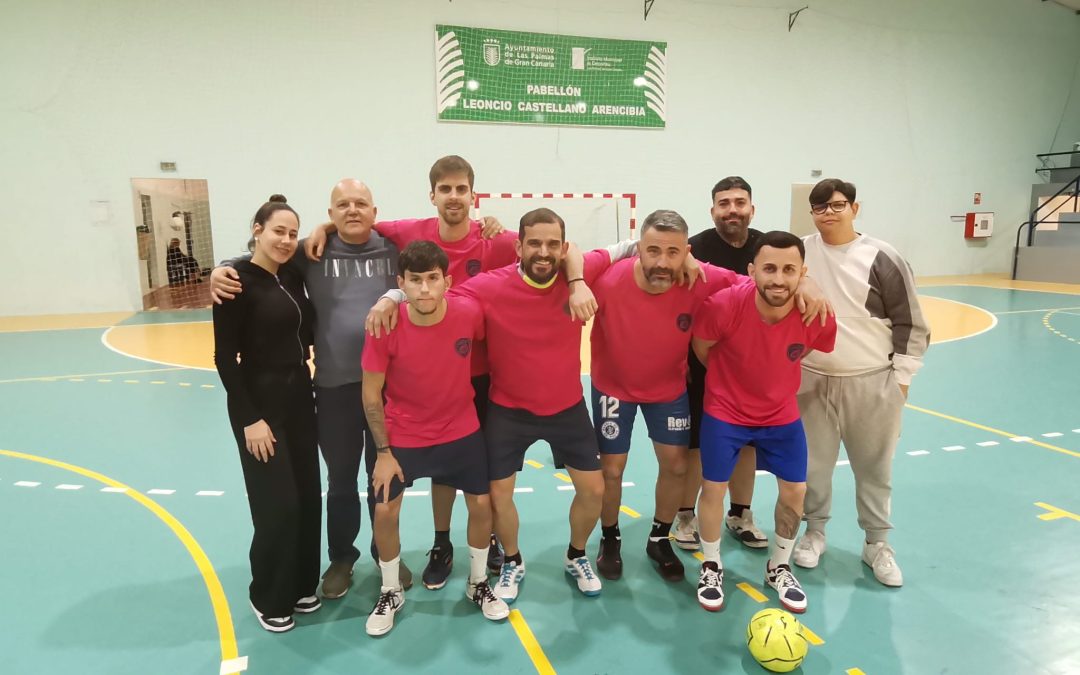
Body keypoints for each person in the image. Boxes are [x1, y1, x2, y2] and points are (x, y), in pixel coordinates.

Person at [367, 208, 634, 603]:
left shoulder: (574, 274)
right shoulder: (488, 287)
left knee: (594, 490)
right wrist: (391, 296)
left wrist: (577, 279)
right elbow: (431, 290)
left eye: (553, 244)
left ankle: (576, 554)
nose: (544, 252)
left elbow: (627, 246)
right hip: (509, 410)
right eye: (535, 244)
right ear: (518, 247)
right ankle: (511, 559)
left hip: (566, 407)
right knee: (497, 496)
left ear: (563, 248)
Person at [306, 156, 516, 590]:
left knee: (461, 472)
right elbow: (349, 225)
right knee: (358, 476)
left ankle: (472, 544)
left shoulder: (485, 238)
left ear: (473, 195)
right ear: (432, 194)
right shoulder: (400, 235)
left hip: (467, 377)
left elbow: (540, 248)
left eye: (462, 189)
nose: (454, 197)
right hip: (367, 382)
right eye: (446, 189)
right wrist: (322, 229)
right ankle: (378, 554)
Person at [590, 210, 831, 583]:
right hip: (612, 387)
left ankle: (658, 537)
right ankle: (610, 536)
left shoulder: (701, 278)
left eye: (673, 253)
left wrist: (808, 283)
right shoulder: (608, 280)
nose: (662, 262)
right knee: (611, 470)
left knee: (676, 466)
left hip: (668, 389)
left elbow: (763, 281)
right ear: (638, 248)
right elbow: (565, 268)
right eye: (652, 250)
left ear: (686, 252)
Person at [210, 179, 408, 598]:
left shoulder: (393, 248)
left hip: (388, 389)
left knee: (386, 478)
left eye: (360, 204)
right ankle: (341, 557)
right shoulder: (308, 252)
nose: (352, 210)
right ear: (330, 214)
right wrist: (219, 268)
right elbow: (258, 260)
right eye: (342, 205)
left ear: (376, 211)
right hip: (334, 389)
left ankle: (385, 552)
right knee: (339, 481)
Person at [360, 240, 509, 636]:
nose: (424, 289)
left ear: (447, 280)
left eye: (432, 279)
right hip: (403, 435)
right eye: (414, 281)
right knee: (385, 511)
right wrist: (383, 452)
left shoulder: (467, 313)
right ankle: (390, 589)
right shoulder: (384, 325)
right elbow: (370, 394)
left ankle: (478, 583)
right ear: (401, 284)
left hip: (461, 430)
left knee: (482, 505)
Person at [792, 178, 930, 587]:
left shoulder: (883, 256)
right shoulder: (801, 252)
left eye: (837, 205)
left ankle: (877, 544)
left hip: (872, 381)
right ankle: (814, 532)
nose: (828, 213)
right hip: (811, 380)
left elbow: (911, 321)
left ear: (855, 208)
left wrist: (901, 381)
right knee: (812, 467)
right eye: (819, 208)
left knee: (873, 468)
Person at [691, 231, 837, 614]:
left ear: (802, 272)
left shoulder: (815, 312)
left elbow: (806, 347)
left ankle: (779, 566)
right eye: (769, 268)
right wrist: (730, 384)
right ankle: (711, 564)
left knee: (795, 491)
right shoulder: (724, 305)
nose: (778, 278)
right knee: (713, 488)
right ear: (752, 270)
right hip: (725, 412)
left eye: (789, 270)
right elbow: (702, 347)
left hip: (780, 414)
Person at [212, 195, 321, 633]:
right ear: (257, 229)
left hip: (300, 397)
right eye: (278, 231)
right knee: (278, 505)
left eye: (293, 233)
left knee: (309, 498)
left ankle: (299, 584)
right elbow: (224, 359)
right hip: (260, 404)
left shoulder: (292, 272)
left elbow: (321, 237)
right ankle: (268, 594)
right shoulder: (235, 282)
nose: (286, 240)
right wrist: (249, 419)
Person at [675, 176, 769, 552]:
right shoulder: (693, 249)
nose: (733, 209)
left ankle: (740, 514)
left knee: (747, 445)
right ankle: (685, 515)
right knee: (695, 446)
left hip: (749, 368)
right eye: (724, 203)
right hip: (700, 365)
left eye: (740, 202)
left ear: (751, 209)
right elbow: (679, 307)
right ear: (713, 210)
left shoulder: (765, 247)